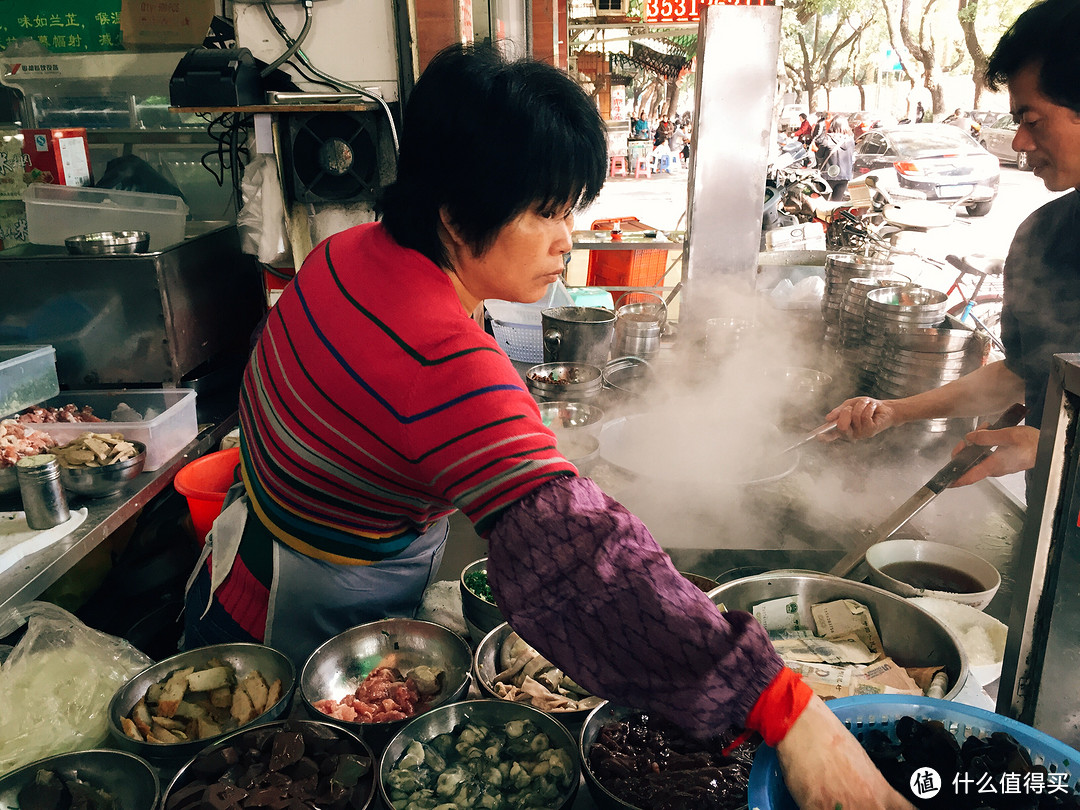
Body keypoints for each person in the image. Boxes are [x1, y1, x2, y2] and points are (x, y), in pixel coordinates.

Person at [183, 43, 911, 810]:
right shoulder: (442, 355)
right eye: (547, 212)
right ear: (456, 213)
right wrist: (787, 711)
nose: (568, 239)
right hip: (299, 636)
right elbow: (578, 560)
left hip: (236, 571)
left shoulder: (340, 256)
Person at [824, 0, 1080, 492]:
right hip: (1052, 523)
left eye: (1032, 119)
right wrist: (895, 412)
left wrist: (1052, 444)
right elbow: (1020, 373)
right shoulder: (1042, 236)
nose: (1020, 143)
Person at [821, 115, 855, 201]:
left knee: (823, 203)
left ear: (833, 125)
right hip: (844, 176)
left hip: (828, 176)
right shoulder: (850, 140)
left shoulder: (827, 139)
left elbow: (819, 155)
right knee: (836, 203)